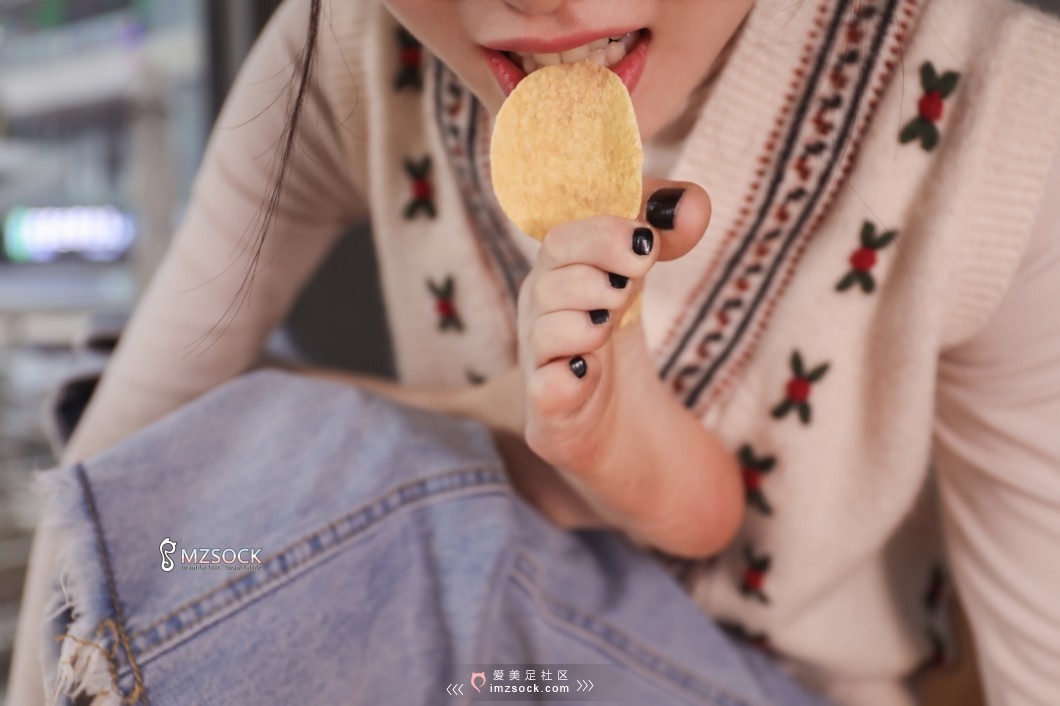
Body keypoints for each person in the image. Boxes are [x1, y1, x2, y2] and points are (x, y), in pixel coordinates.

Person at [9, 0, 1060, 703]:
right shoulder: (350, 43)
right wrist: (481, 414)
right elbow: (111, 512)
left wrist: (355, 419)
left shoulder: (999, 113)